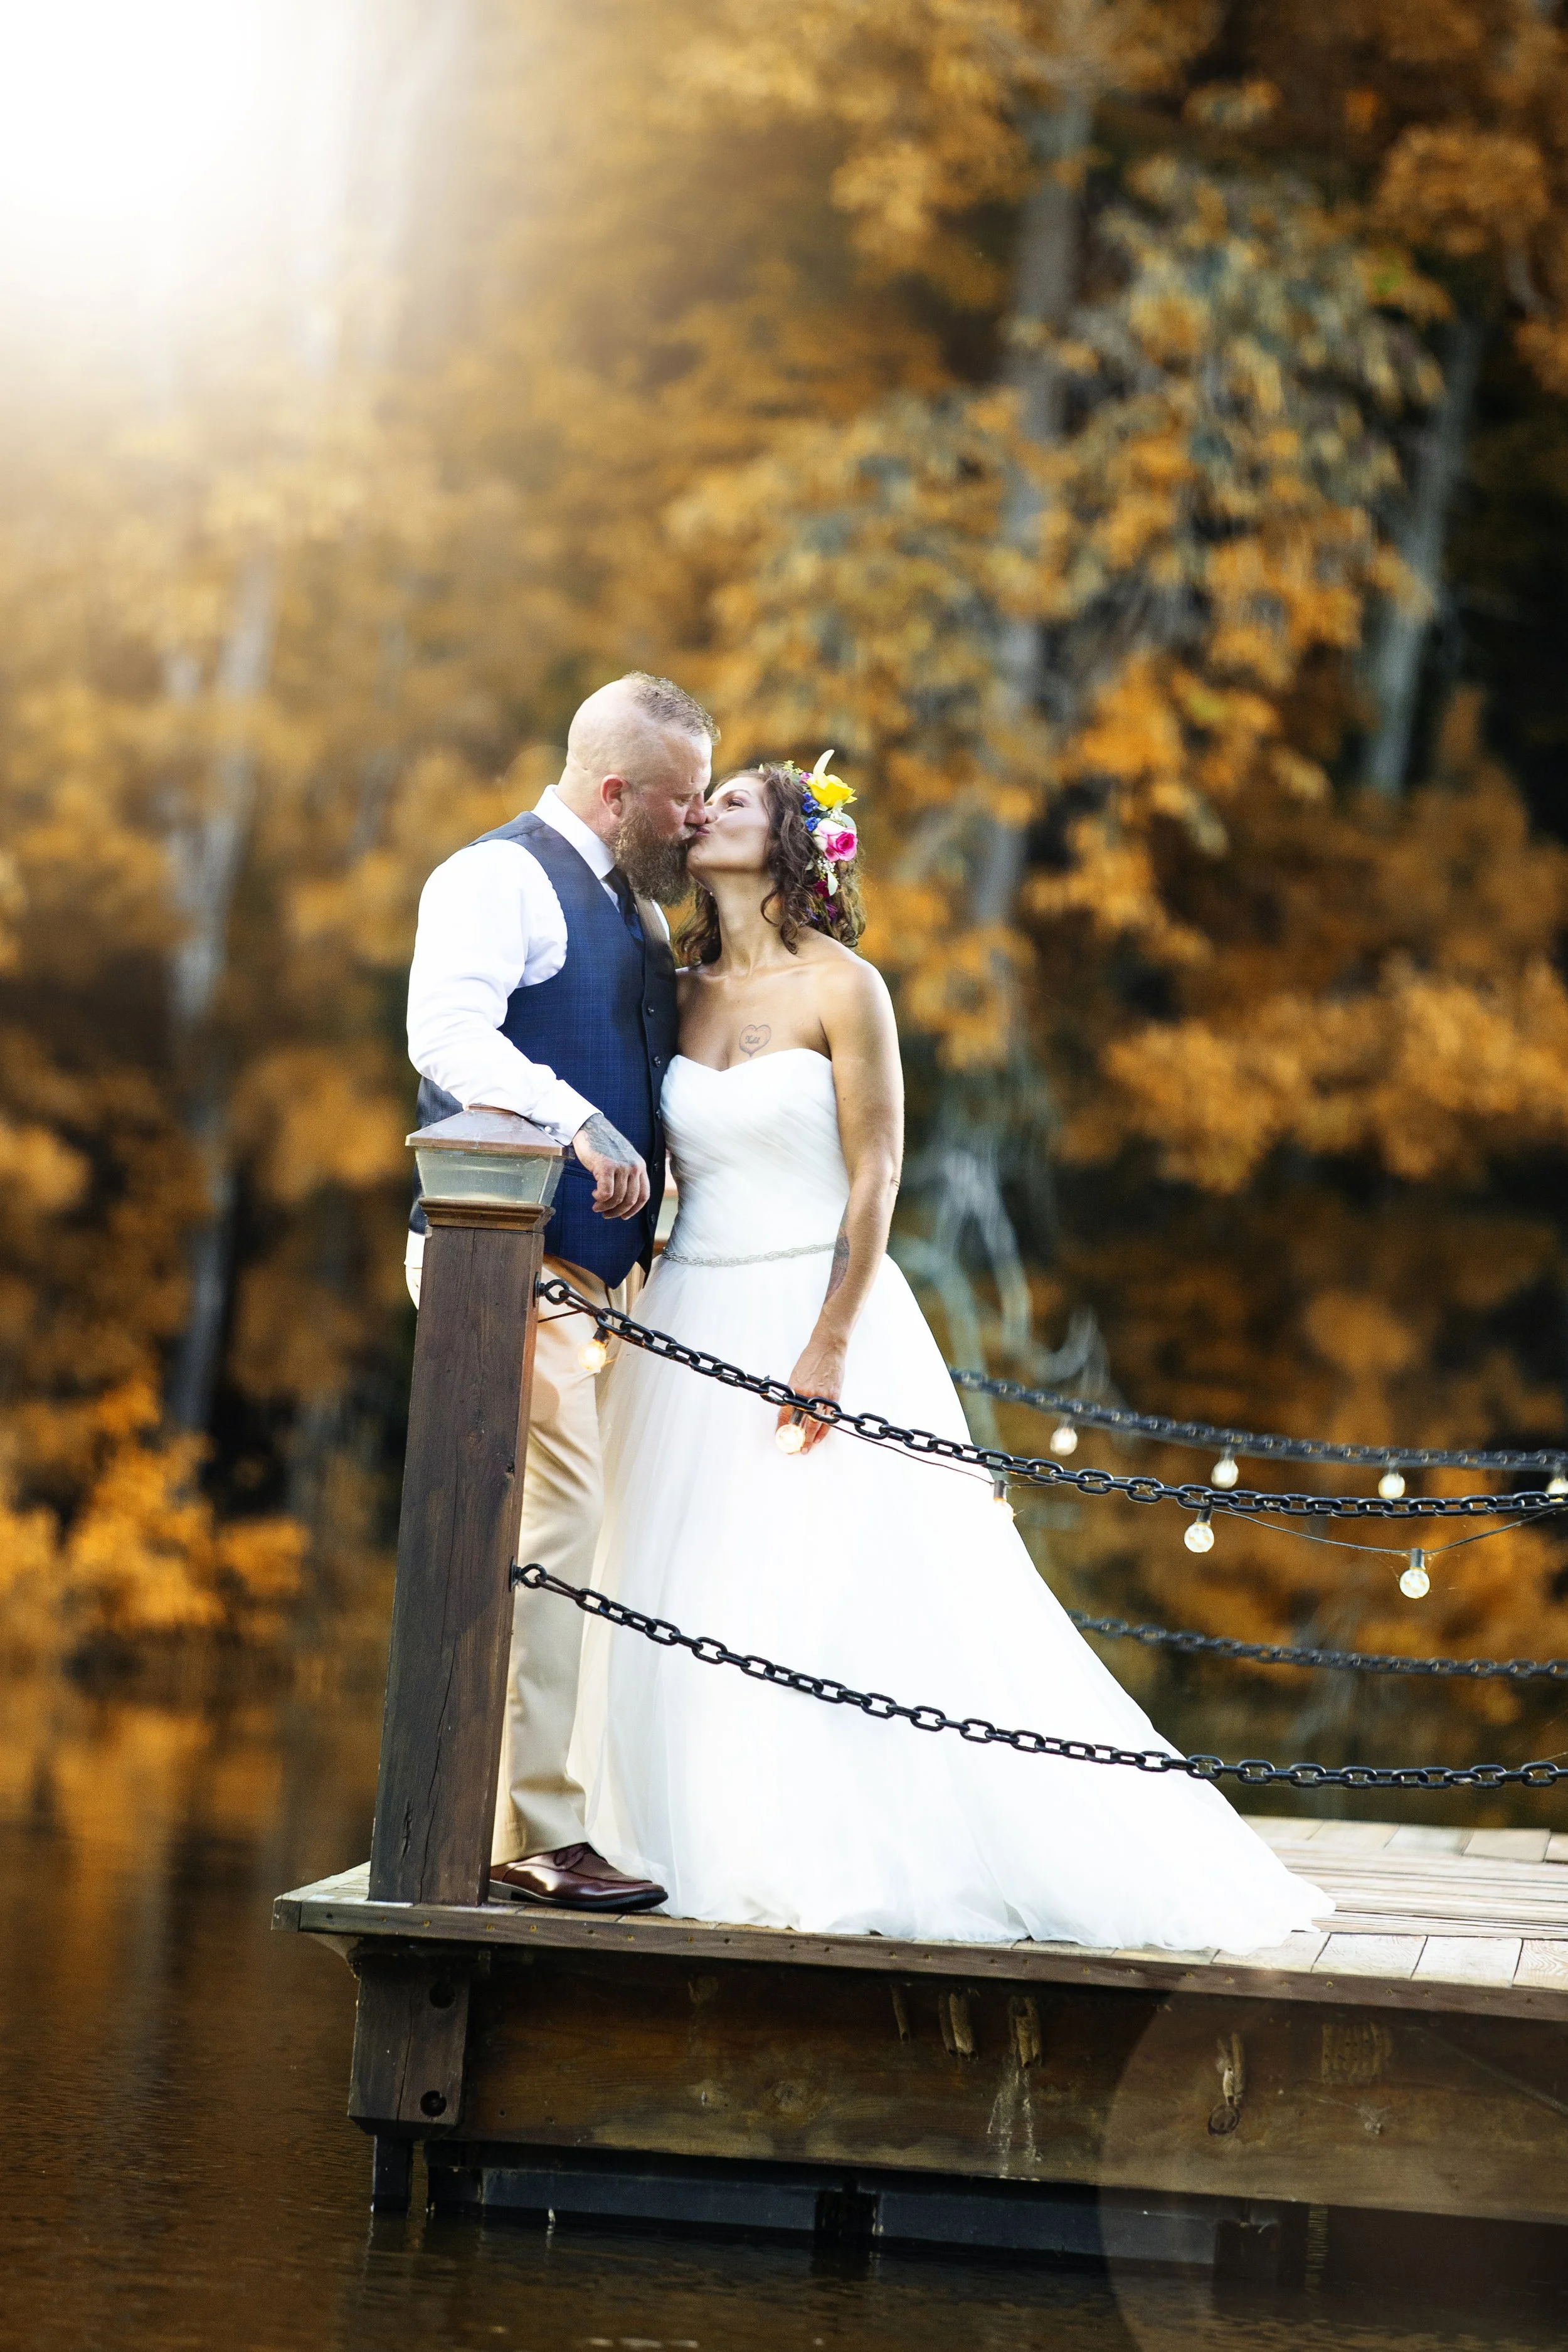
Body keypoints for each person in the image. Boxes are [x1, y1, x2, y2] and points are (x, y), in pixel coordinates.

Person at [568, 759, 1331, 1951]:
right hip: (686, 1326)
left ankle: (834, 1844)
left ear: (787, 848)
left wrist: (828, 1342)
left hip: (812, 1311)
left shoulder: (846, 987)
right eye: (705, 801)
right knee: (676, 1585)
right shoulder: (677, 986)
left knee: (821, 1591)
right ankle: (685, 1841)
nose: (706, 809)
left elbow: (875, 1173)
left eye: (736, 803)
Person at [406, 671, 717, 1912]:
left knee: (593, 1540)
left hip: (599, 1287)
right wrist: (579, 1122)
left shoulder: (629, 909)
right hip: (507, 1272)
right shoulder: (497, 878)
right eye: (682, 801)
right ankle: (528, 1834)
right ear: (615, 791)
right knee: (555, 1536)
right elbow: (447, 1036)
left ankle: (564, 1810)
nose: (693, 825)